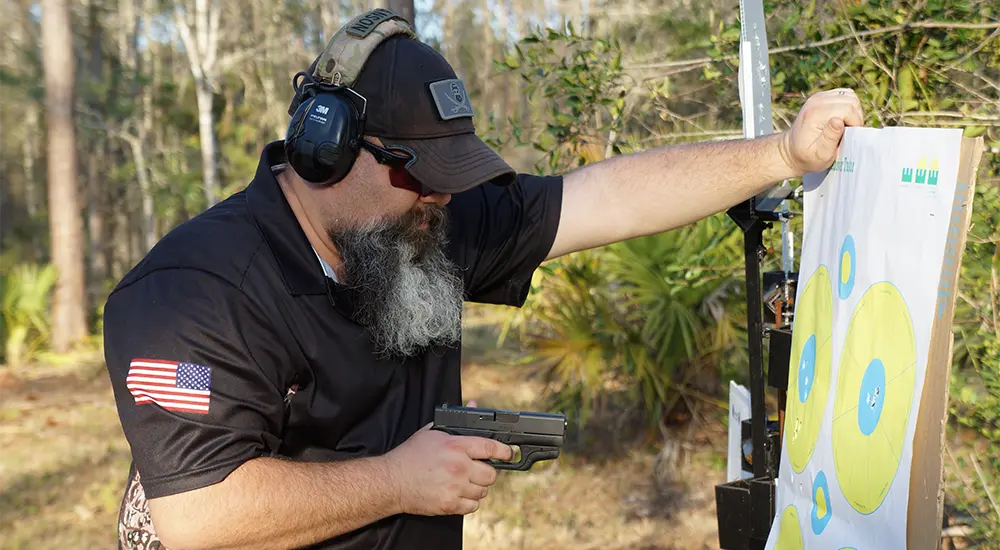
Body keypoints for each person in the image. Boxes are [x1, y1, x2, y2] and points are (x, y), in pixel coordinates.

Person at [101, 9, 863, 550]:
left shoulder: (424, 220)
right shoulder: (193, 293)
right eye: (420, 175)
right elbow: (198, 516)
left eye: (451, 177)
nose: (439, 199)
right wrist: (399, 481)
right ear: (326, 150)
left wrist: (783, 156)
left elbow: (608, 197)